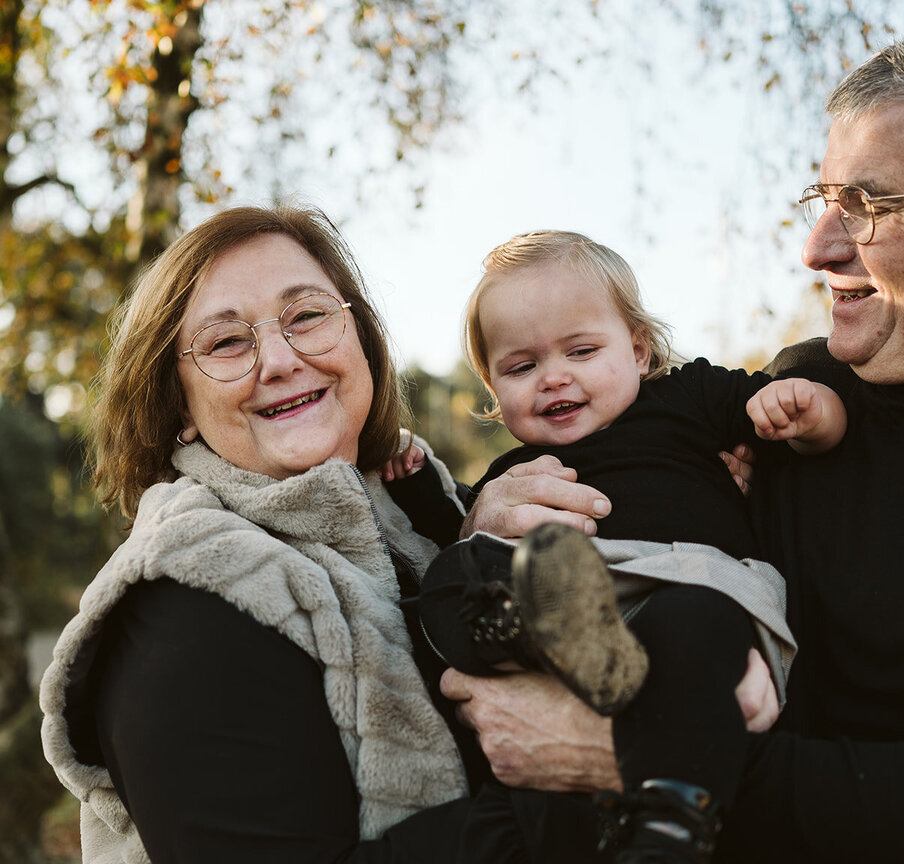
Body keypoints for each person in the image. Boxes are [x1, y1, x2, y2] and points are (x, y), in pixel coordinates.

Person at [438, 28, 904, 864]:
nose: (818, 249)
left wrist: (637, 756)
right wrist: (496, 513)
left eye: (868, 205)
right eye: (824, 200)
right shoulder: (794, 394)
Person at [41, 205, 699, 864]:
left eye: (306, 315)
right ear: (178, 406)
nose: (280, 359)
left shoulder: (425, 511)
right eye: (226, 343)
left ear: (361, 339)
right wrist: (603, 775)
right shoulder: (183, 603)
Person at [394, 229, 844, 862]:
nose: (554, 378)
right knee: (454, 572)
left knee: (701, 618)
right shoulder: (514, 474)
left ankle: (672, 820)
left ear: (637, 351)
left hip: (690, 580)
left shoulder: (688, 396)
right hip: (568, 592)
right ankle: (529, 634)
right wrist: (419, 489)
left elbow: (782, 415)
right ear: (494, 390)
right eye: (521, 368)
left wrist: (812, 410)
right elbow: (459, 531)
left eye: (581, 351)